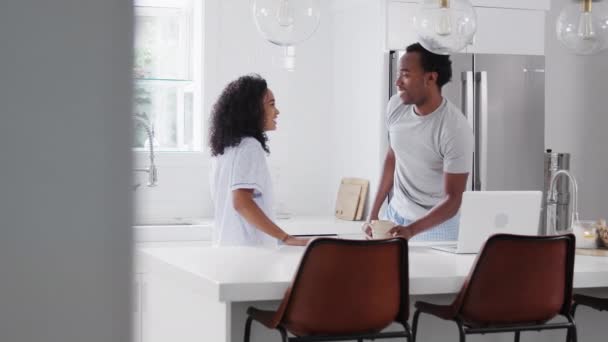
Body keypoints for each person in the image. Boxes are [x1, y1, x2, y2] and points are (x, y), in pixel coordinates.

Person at [367, 43, 474, 241]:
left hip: (437, 225)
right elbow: (393, 155)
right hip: (395, 215)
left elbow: (453, 200)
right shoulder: (396, 106)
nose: (398, 82)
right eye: (399, 74)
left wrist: (412, 230)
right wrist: (373, 214)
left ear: (431, 78)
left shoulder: (454, 128)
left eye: (406, 75)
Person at [209, 74, 308, 247]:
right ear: (252, 109)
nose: (277, 111)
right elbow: (241, 202)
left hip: (226, 248)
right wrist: (285, 238)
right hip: (250, 251)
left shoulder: (226, 149)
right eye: (271, 104)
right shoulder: (249, 146)